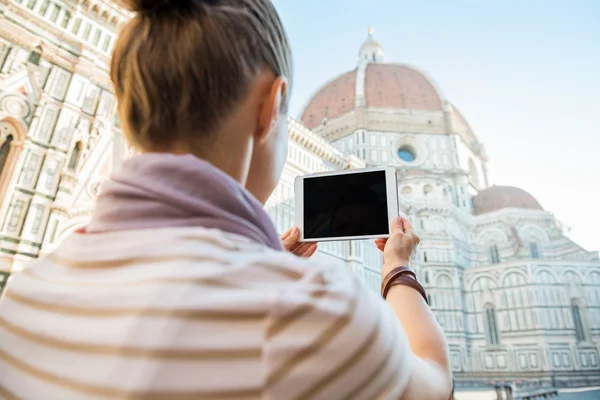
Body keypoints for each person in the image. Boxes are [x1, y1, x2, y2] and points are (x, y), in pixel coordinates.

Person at [0, 0, 451, 399]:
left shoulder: (24, 300)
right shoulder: (315, 312)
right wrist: (398, 269)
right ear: (269, 108)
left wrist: (263, 260)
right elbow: (435, 379)